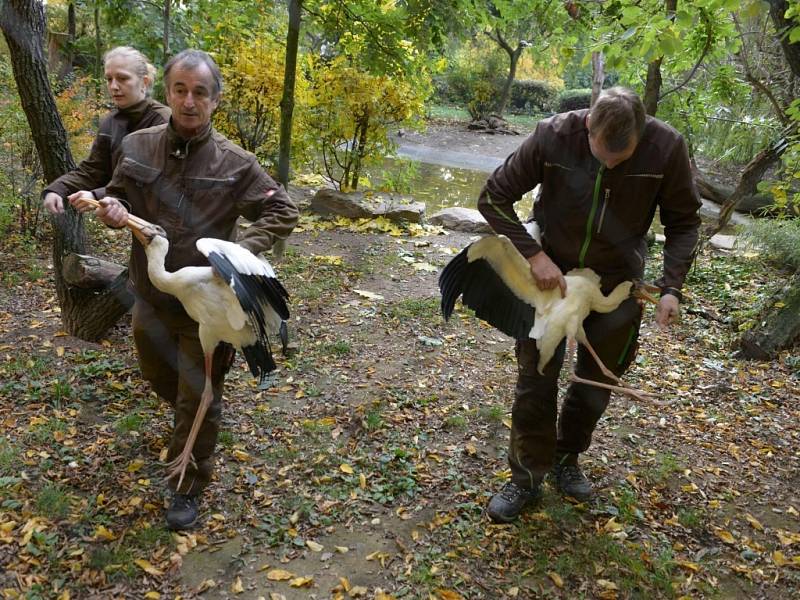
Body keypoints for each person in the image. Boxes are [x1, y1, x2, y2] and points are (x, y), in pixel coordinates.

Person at [70, 49, 299, 530]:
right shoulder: (137, 146)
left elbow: (283, 212)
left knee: (197, 396)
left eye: (200, 93)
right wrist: (110, 207)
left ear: (215, 100)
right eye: (181, 90)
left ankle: (186, 486)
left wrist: (235, 255)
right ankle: (199, 416)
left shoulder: (236, 163)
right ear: (167, 92)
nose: (189, 101)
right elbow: (117, 195)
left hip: (208, 308)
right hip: (151, 297)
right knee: (161, 380)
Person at [478, 87, 701, 523]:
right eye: (603, 156)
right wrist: (534, 255)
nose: (611, 165)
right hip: (550, 280)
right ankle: (525, 477)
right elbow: (493, 197)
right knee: (536, 377)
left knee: (600, 379)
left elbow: (685, 222)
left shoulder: (667, 147)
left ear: (641, 132)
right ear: (588, 127)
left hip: (617, 279)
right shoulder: (552, 135)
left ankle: (567, 457)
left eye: (622, 160)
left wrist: (671, 287)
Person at [43, 47, 170, 213]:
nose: (114, 86)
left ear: (144, 82)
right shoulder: (111, 122)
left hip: (173, 220)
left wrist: (96, 196)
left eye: (123, 78)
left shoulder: (162, 120)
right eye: (109, 79)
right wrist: (57, 189)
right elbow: (94, 169)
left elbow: (145, 179)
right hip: (141, 223)